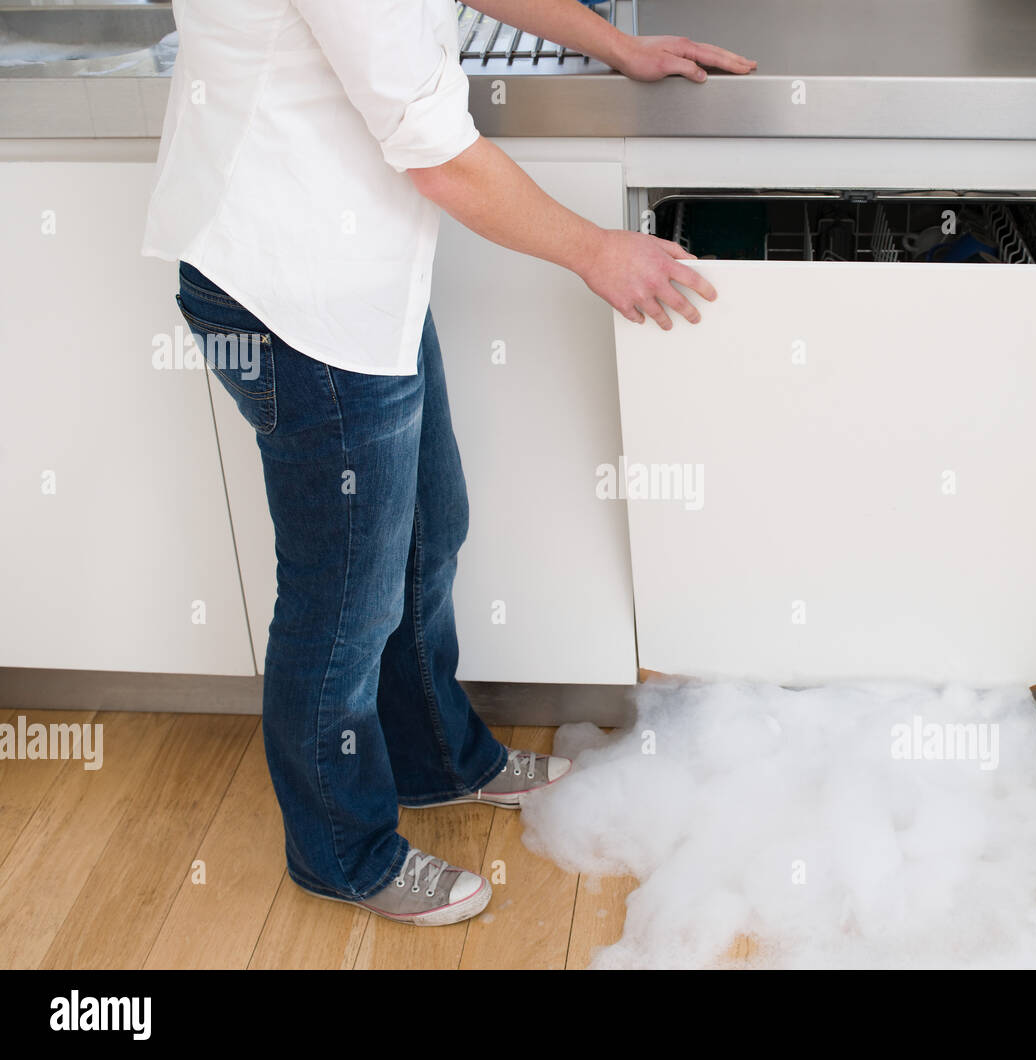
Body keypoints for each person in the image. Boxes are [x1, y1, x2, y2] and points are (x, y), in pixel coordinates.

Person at [141, 0, 756, 927]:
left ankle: (435, 756)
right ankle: (342, 853)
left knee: (430, 530)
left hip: (359, 275)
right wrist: (596, 252)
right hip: (293, 298)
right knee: (344, 599)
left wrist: (613, 43)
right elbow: (433, 148)